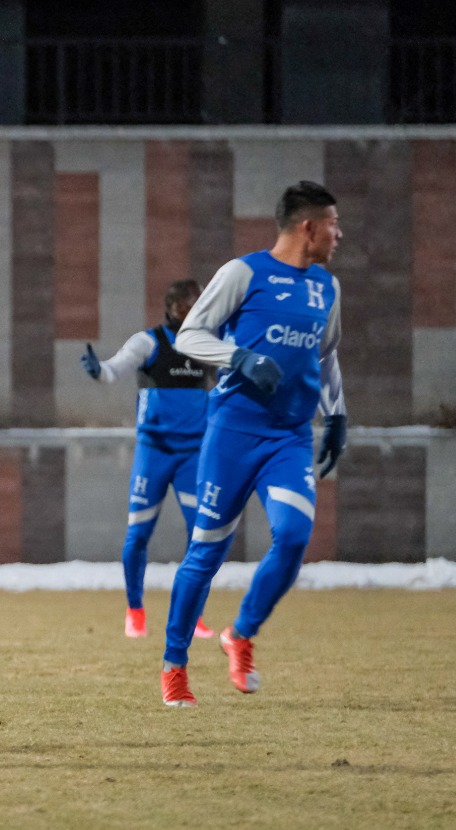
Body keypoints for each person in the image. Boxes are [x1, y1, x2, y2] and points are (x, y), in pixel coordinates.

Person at [160, 180, 346, 707]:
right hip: (234, 433)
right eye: (333, 224)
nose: (339, 234)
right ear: (308, 227)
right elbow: (190, 335)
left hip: (290, 437)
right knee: (206, 552)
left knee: (293, 536)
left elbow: (326, 355)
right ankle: (174, 666)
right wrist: (239, 358)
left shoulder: (327, 288)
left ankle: (239, 634)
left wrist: (337, 414)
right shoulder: (243, 273)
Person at [80, 280, 216, 640]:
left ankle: (193, 615)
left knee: (202, 537)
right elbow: (114, 370)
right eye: (189, 305)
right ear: (173, 308)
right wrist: (97, 370)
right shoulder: (149, 342)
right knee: (138, 534)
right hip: (154, 452)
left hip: (193, 454)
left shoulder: (209, 344)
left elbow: (231, 379)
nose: (195, 310)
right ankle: (135, 611)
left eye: (199, 303)